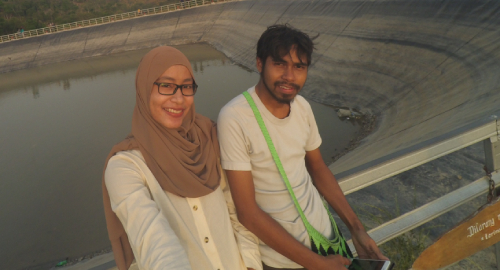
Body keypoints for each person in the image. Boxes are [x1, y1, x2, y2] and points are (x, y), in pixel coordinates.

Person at [218, 25, 386, 270]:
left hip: (328, 241)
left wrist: (357, 230)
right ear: (259, 63)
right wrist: (317, 264)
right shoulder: (235, 118)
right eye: (279, 64)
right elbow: (247, 212)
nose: (289, 76)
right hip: (284, 260)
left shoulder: (302, 107)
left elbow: (317, 168)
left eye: (299, 67)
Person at [103, 46, 260, 270]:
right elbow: (151, 238)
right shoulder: (125, 167)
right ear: (144, 89)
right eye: (166, 86)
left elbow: (236, 209)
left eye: (186, 87)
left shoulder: (209, 139)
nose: (179, 99)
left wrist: (251, 264)